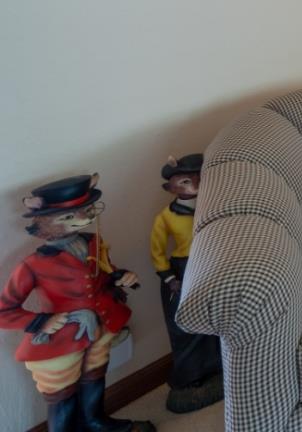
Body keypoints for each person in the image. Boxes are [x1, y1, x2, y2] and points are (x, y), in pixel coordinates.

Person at [0, 174, 154, 432]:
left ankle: (94, 421)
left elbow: (100, 275)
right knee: (61, 393)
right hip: (62, 338)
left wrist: (118, 278)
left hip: (99, 327)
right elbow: (4, 310)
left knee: (95, 376)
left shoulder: (93, 243)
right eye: (70, 217)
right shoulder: (34, 264)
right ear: (46, 223)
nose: (84, 219)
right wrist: (41, 321)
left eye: (87, 211)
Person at [150, 154, 223, 413]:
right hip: (185, 267)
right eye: (185, 182)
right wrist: (168, 277)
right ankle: (191, 376)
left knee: (215, 318)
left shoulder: (213, 204)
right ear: (171, 188)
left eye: (198, 180)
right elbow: (157, 251)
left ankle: (218, 366)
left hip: (213, 262)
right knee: (187, 328)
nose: (194, 186)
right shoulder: (166, 217)